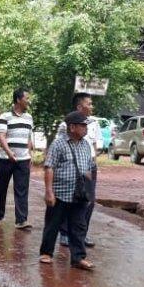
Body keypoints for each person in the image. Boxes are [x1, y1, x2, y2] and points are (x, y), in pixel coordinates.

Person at [39, 111, 95, 270]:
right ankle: (46, 253)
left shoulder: (85, 145)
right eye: (83, 125)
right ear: (72, 127)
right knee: (53, 224)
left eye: (86, 125)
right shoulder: (58, 144)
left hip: (79, 194)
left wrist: (89, 190)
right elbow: (49, 167)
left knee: (79, 226)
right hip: (60, 193)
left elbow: (88, 168)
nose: (86, 128)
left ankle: (78, 258)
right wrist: (49, 191)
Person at [56, 93, 99, 248]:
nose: (92, 106)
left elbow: (94, 144)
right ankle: (65, 234)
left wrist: (95, 161)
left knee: (88, 201)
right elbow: (61, 144)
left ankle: (82, 234)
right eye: (89, 103)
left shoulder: (94, 123)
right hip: (72, 168)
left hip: (89, 167)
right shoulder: (66, 124)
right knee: (70, 200)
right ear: (80, 106)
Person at [0, 88, 34, 229]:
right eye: (26, 98)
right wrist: (9, 152)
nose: (28, 101)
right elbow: (1, 136)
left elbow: (29, 137)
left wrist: (30, 154)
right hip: (6, 159)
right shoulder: (5, 116)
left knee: (22, 189)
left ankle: (21, 220)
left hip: (23, 160)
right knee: (1, 187)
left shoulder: (29, 118)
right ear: (18, 100)